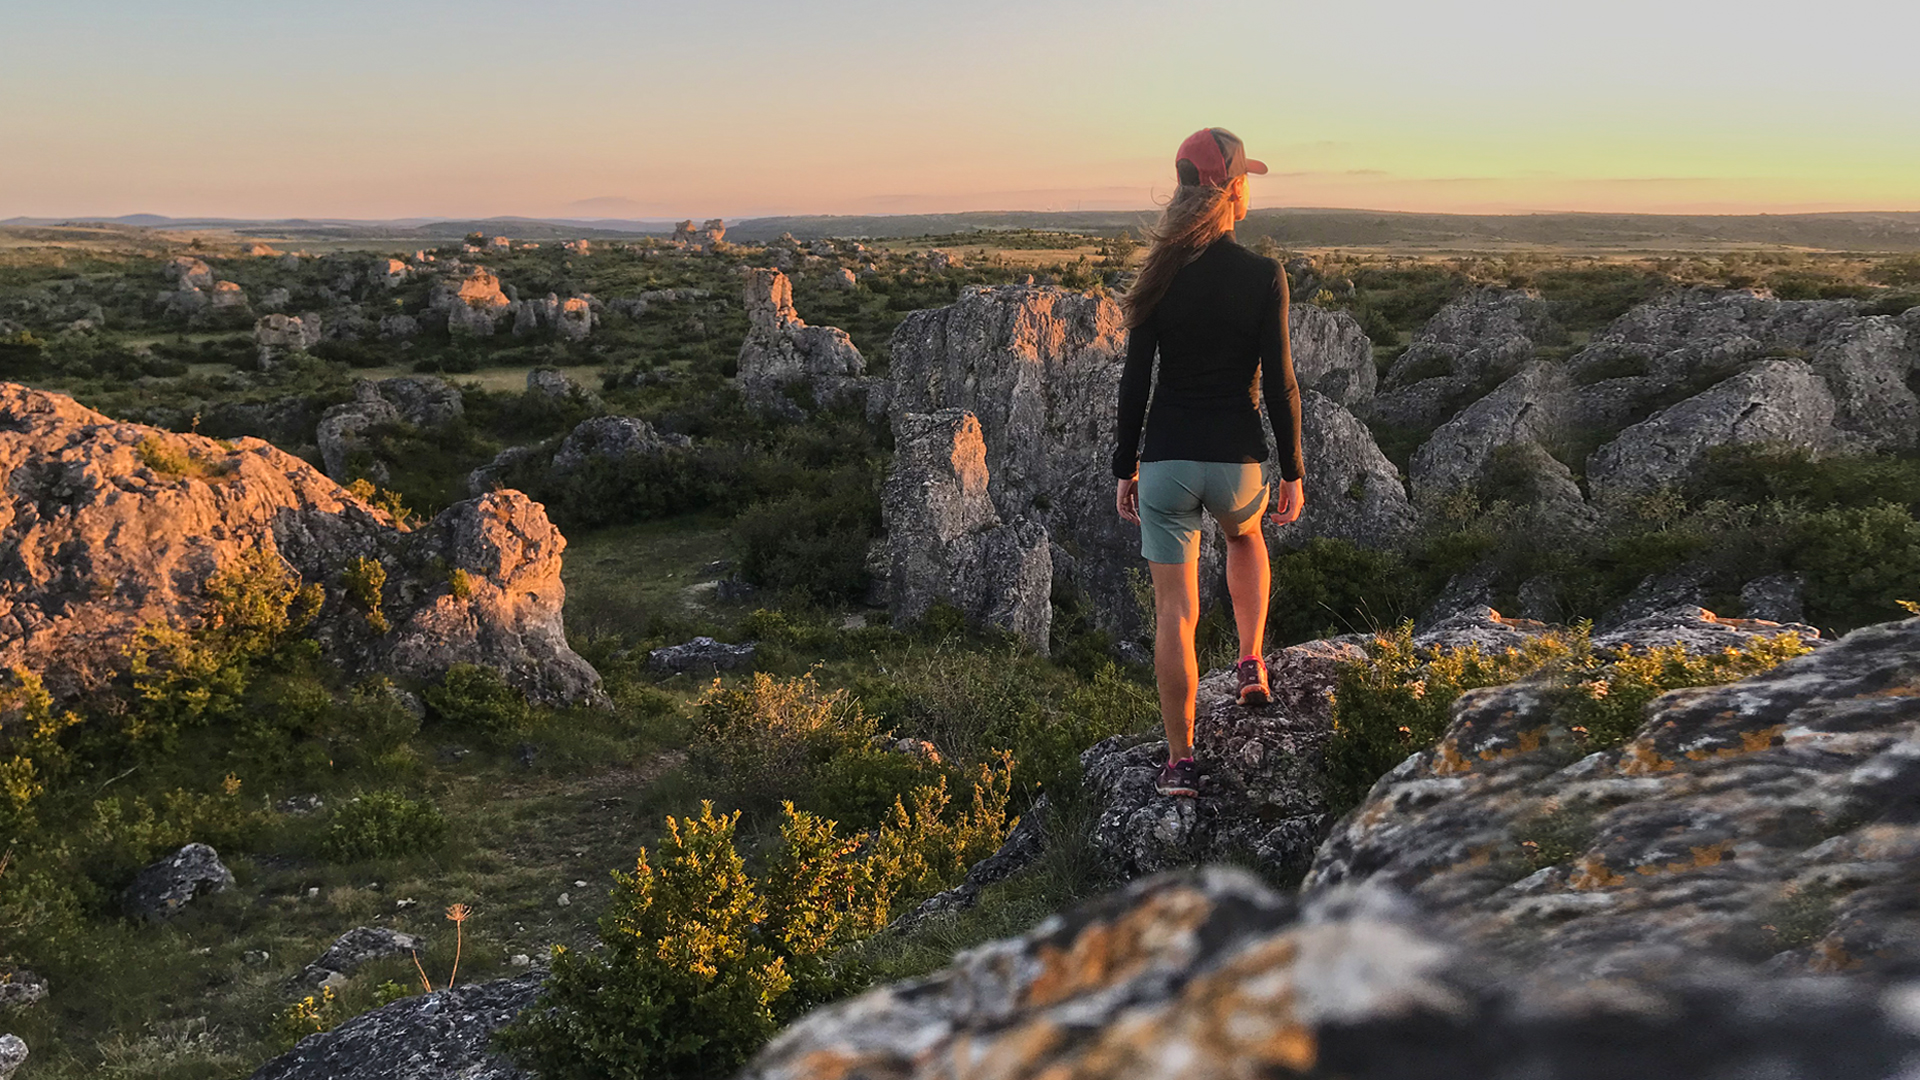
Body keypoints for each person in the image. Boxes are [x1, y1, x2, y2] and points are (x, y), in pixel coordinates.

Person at [1111, 126, 1306, 799]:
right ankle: (1251, 660)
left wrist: (1124, 466)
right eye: (1243, 176)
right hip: (1238, 463)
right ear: (1229, 187)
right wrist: (1293, 470)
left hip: (1166, 461)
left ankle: (1179, 761)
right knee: (1246, 536)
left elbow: (1135, 382)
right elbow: (1280, 382)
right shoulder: (1262, 275)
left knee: (1176, 614)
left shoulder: (1160, 274)